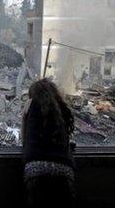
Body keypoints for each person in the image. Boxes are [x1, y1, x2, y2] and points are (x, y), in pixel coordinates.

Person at [22, 79, 75, 208]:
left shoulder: (30, 104)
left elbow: (24, 139)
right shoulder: (62, 108)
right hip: (63, 169)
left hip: (36, 169)